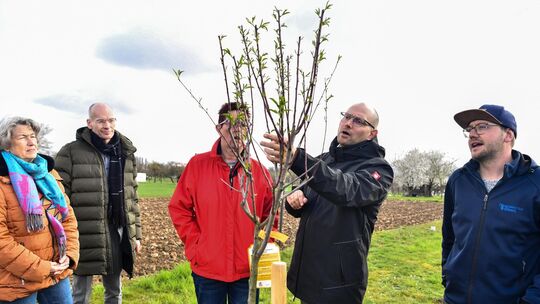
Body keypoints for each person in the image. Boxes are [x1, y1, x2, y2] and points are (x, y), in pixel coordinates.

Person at [261, 102, 394, 304]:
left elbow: (346, 189)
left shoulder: (378, 170)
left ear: (371, 134)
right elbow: (302, 195)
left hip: (339, 282)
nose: (348, 123)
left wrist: (298, 158)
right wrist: (293, 199)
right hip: (308, 274)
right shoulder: (324, 160)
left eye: (358, 120)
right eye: (346, 116)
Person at [168, 102, 274, 304]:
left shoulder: (260, 172)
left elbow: (271, 215)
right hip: (208, 269)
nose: (237, 129)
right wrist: (196, 245)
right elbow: (178, 208)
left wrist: (264, 246)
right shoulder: (197, 166)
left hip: (247, 270)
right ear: (218, 129)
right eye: (231, 123)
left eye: (243, 124)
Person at [442, 104, 540, 303]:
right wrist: (448, 275)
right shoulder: (458, 180)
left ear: (508, 135)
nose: (472, 134)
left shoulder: (535, 184)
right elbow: (449, 238)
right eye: (469, 129)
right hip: (455, 299)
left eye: (482, 126)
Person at [55, 103, 142, 304]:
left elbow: (132, 197)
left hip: (117, 231)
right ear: (89, 123)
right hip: (82, 233)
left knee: (114, 291)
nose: (107, 125)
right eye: (101, 120)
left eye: (111, 120)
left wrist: (136, 234)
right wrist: (63, 237)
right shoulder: (70, 152)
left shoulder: (125, 152)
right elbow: (58, 198)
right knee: (80, 294)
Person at [0, 117, 79, 303]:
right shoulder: (2, 180)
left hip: (56, 272)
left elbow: (68, 219)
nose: (31, 142)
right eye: (22, 137)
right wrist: (42, 267)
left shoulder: (49, 174)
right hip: (16, 280)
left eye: (33, 136)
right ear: (7, 143)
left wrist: (69, 255)